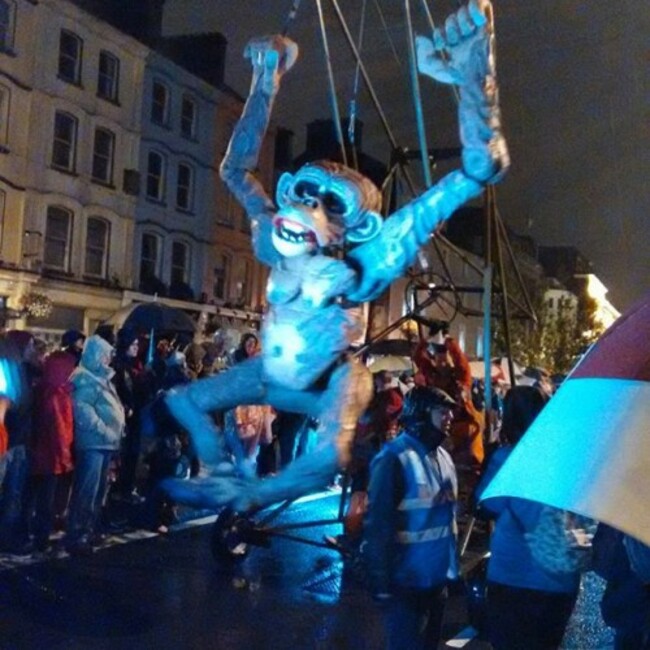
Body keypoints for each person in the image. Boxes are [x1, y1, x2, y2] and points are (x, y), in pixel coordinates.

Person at [163, 0, 508, 515]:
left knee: (330, 454)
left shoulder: (357, 268)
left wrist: (474, 78)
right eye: (305, 193)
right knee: (183, 400)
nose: (309, 208)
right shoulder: (270, 238)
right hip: (272, 373)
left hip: (330, 379)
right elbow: (235, 170)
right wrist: (265, 83)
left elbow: (478, 169)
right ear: (288, 191)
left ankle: (250, 496)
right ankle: (217, 472)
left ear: (358, 227)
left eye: (331, 204)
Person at [477, 385, 581, 650]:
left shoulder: (508, 460)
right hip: (560, 578)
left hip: (514, 578)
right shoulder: (568, 459)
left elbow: (488, 503)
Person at [363, 385, 459, 650]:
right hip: (405, 586)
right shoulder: (394, 458)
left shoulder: (445, 458)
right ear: (422, 414)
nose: (450, 417)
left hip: (437, 581)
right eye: (443, 411)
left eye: (450, 412)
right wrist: (381, 582)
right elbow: (378, 526)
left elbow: (447, 520)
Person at [65, 335, 125, 555]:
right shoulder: (85, 378)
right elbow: (83, 410)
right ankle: (77, 534)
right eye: (104, 355)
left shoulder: (101, 378)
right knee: (86, 491)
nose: (107, 360)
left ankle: (88, 531)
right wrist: (104, 427)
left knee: (98, 490)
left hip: (105, 443)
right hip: (93, 442)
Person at [413, 322, 485, 472]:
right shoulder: (432, 375)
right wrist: (428, 338)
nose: (442, 363)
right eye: (439, 360)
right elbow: (417, 356)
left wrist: (447, 339)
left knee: (469, 465)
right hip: (442, 428)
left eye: (445, 359)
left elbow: (461, 361)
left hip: (463, 427)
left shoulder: (460, 376)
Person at [23, 350, 76, 553]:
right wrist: (65, 458)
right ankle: (41, 539)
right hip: (51, 455)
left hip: (38, 452)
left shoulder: (42, 389)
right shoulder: (57, 395)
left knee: (32, 496)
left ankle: (29, 533)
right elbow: (61, 430)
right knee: (46, 499)